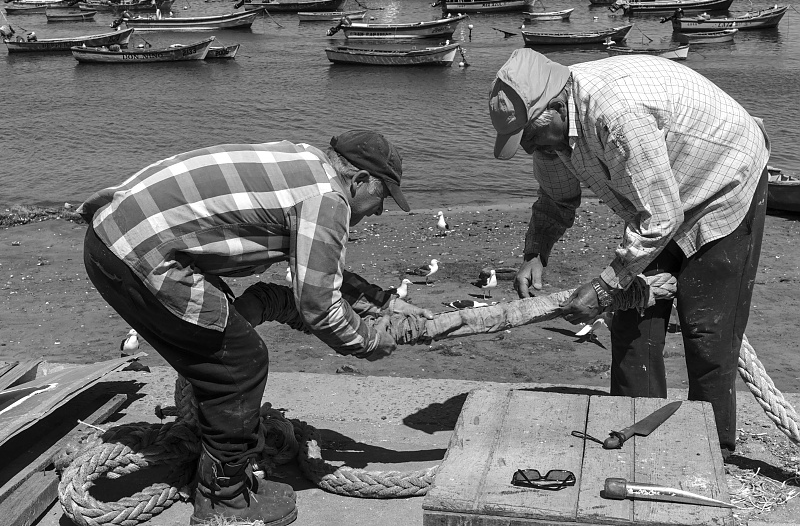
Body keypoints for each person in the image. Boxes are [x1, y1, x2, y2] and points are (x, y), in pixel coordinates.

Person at [78, 130, 433, 526]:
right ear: (360, 180)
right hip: (140, 255)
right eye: (382, 197)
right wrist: (369, 341)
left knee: (218, 354)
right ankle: (223, 498)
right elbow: (319, 306)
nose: (380, 211)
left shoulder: (308, 166)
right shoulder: (327, 201)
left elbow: (319, 268)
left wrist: (385, 303)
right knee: (240, 365)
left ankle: (221, 467)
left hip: (109, 238)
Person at [489, 49, 770, 456]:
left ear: (555, 108)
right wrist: (537, 252)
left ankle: (712, 449)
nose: (529, 148)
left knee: (706, 329)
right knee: (633, 320)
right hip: (659, 198)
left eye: (529, 136)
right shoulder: (550, 139)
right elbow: (556, 197)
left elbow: (660, 219)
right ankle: (637, 433)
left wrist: (604, 287)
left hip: (723, 180)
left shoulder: (616, 116)